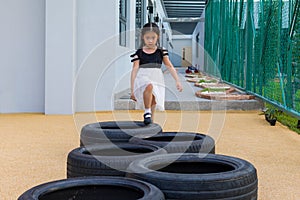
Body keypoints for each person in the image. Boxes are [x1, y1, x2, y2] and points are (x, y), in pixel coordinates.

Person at [130, 22, 183, 125]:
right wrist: (132, 89)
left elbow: (169, 66)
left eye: (153, 38)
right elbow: (134, 70)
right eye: (147, 38)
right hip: (142, 77)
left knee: (154, 99)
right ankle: (147, 112)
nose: (150, 41)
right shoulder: (139, 53)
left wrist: (177, 81)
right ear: (142, 37)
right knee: (149, 86)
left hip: (157, 77)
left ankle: (150, 121)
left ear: (157, 37)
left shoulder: (161, 51)